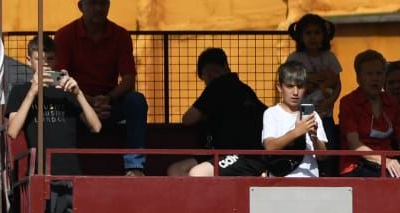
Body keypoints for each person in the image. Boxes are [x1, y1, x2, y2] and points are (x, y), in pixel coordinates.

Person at [4, 36, 98, 213]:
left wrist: (78, 92)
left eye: (49, 61)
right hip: (43, 176)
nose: (44, 65)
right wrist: (33, 92)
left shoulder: (66, 90)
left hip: (72, 175)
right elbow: (12, 130)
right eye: (38, 60)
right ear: (30, 61)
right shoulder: (21, 90)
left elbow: (95, 126)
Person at [55, 0, 146, 174]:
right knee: (59, 104)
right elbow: (61, 78)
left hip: (108, 104)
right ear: (81, 6)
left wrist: (108, 98)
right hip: (78, 103)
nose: (98, 8)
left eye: (103, 3)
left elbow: (129, 79)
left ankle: (135, 166)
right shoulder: (64, 35)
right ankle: (63, 166)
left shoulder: (121, 35)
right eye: (92, 3)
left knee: (136, 100)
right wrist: (86, 101)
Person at [168, 48, 265, 177]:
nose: (209, 77)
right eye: (206, 74)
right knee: (175, 170)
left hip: (242, 155)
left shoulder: (218, 85)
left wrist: (204, 114)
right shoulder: (245, 89)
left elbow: (188, 119)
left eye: (211, 72)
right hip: (220, 153)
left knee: (196, 173)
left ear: (225, 67)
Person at [338, 49, 400, 177]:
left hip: (389, 164)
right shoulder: (348, 103)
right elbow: (354, 144)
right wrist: (384, 161)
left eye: (379, 74)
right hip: (356, 165)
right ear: (358, 78)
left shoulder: (392, 103)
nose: (375, 79)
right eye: (369, 74)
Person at [285, 12, 341, 103]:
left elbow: (337, 84)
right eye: (308, 33)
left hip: (324, 111)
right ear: (301, 36)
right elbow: (287, 82)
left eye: (317, 33)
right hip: (300, 112)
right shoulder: (294, 58)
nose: (313, 37)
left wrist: (330, 101)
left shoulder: (329, 57)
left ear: (324, 36)